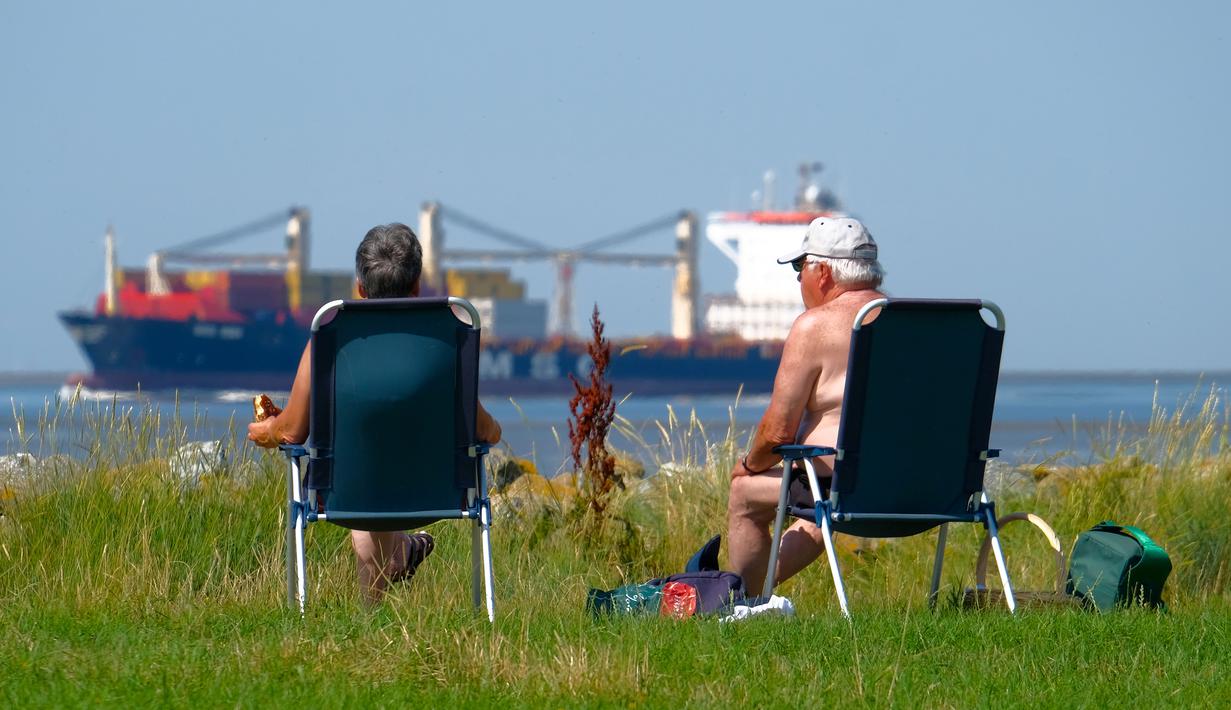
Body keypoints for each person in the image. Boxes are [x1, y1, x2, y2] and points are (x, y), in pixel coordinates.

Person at [248, 223, 502, 604]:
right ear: (417, 286)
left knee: (366, 466)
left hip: (347, 494)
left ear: (360, 289)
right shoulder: (449, 339)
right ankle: (389, 582)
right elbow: (483, 429)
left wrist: (266, 430)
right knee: (381, 458)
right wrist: (494, 431)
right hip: (438, 495)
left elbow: (291, 432)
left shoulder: (328, 337)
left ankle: (386, 585)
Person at [726, 216, 885, 596]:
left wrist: (748, 465)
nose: (798, 279)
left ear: (824, 272)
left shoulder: (814, 326)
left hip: (843, 486)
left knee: (745, 494)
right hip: (927, 486)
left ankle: (745, 600)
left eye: (800, 267)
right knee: (816, 508)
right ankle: (754, 594)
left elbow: (779, 431)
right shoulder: (916, 323)